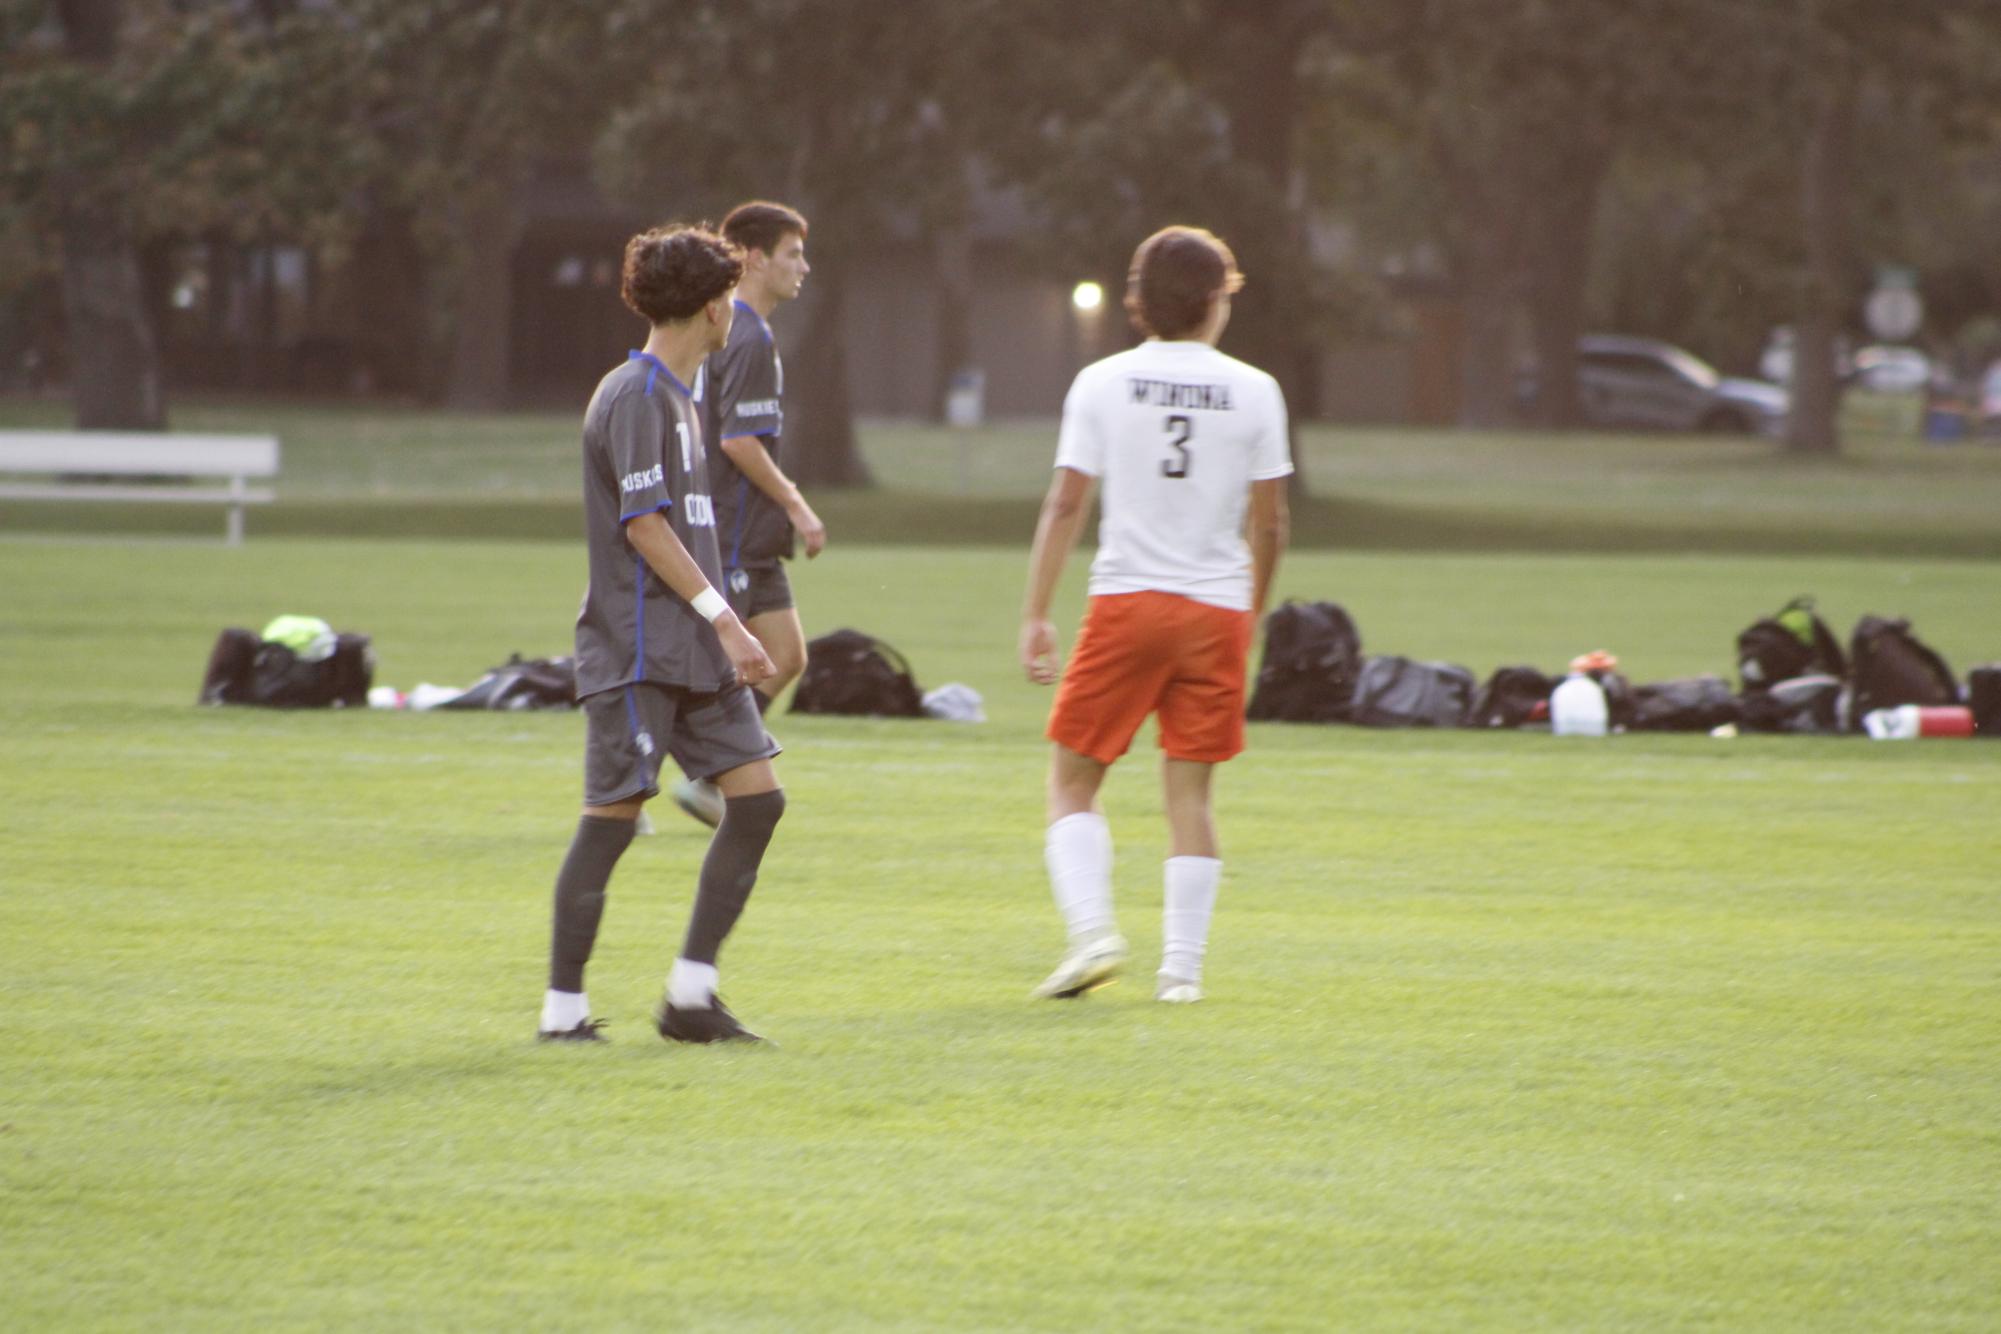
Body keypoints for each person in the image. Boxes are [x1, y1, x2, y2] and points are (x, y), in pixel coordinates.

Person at [1019, 225, 1292, 1004]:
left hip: (1128, 603)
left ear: (1137, 303)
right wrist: (1251, 612)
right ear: (1216, 301)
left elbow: (1068, 501)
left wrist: (1036, 611)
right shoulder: (1255, 389)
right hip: (1215, 614)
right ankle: (1181, 973)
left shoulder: (1101, 382)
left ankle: (1093, 934)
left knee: (1073, 781)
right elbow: (1269, 523)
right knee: (1190, 797)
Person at [538, 223, 787, 1045]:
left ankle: (689, 996)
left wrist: (721, 623)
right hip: (638, 648)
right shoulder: (635, 394)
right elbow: (645, 529)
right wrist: (729, 621)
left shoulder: (684, 398)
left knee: (757, 801)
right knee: (610, 818)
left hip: (696, 650)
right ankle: (562, 1012)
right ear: (715, 308)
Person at [670, 201, 825, 828]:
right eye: (793, 254)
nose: (803, 267)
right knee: (725, 666)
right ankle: (688, 776)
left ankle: (701, 776)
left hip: (744, 532)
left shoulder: (724, 327)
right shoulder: (750, 335)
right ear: (756, 258)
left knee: (785, 655)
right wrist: (799, 504)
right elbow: (738, 441)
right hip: (733, 528)